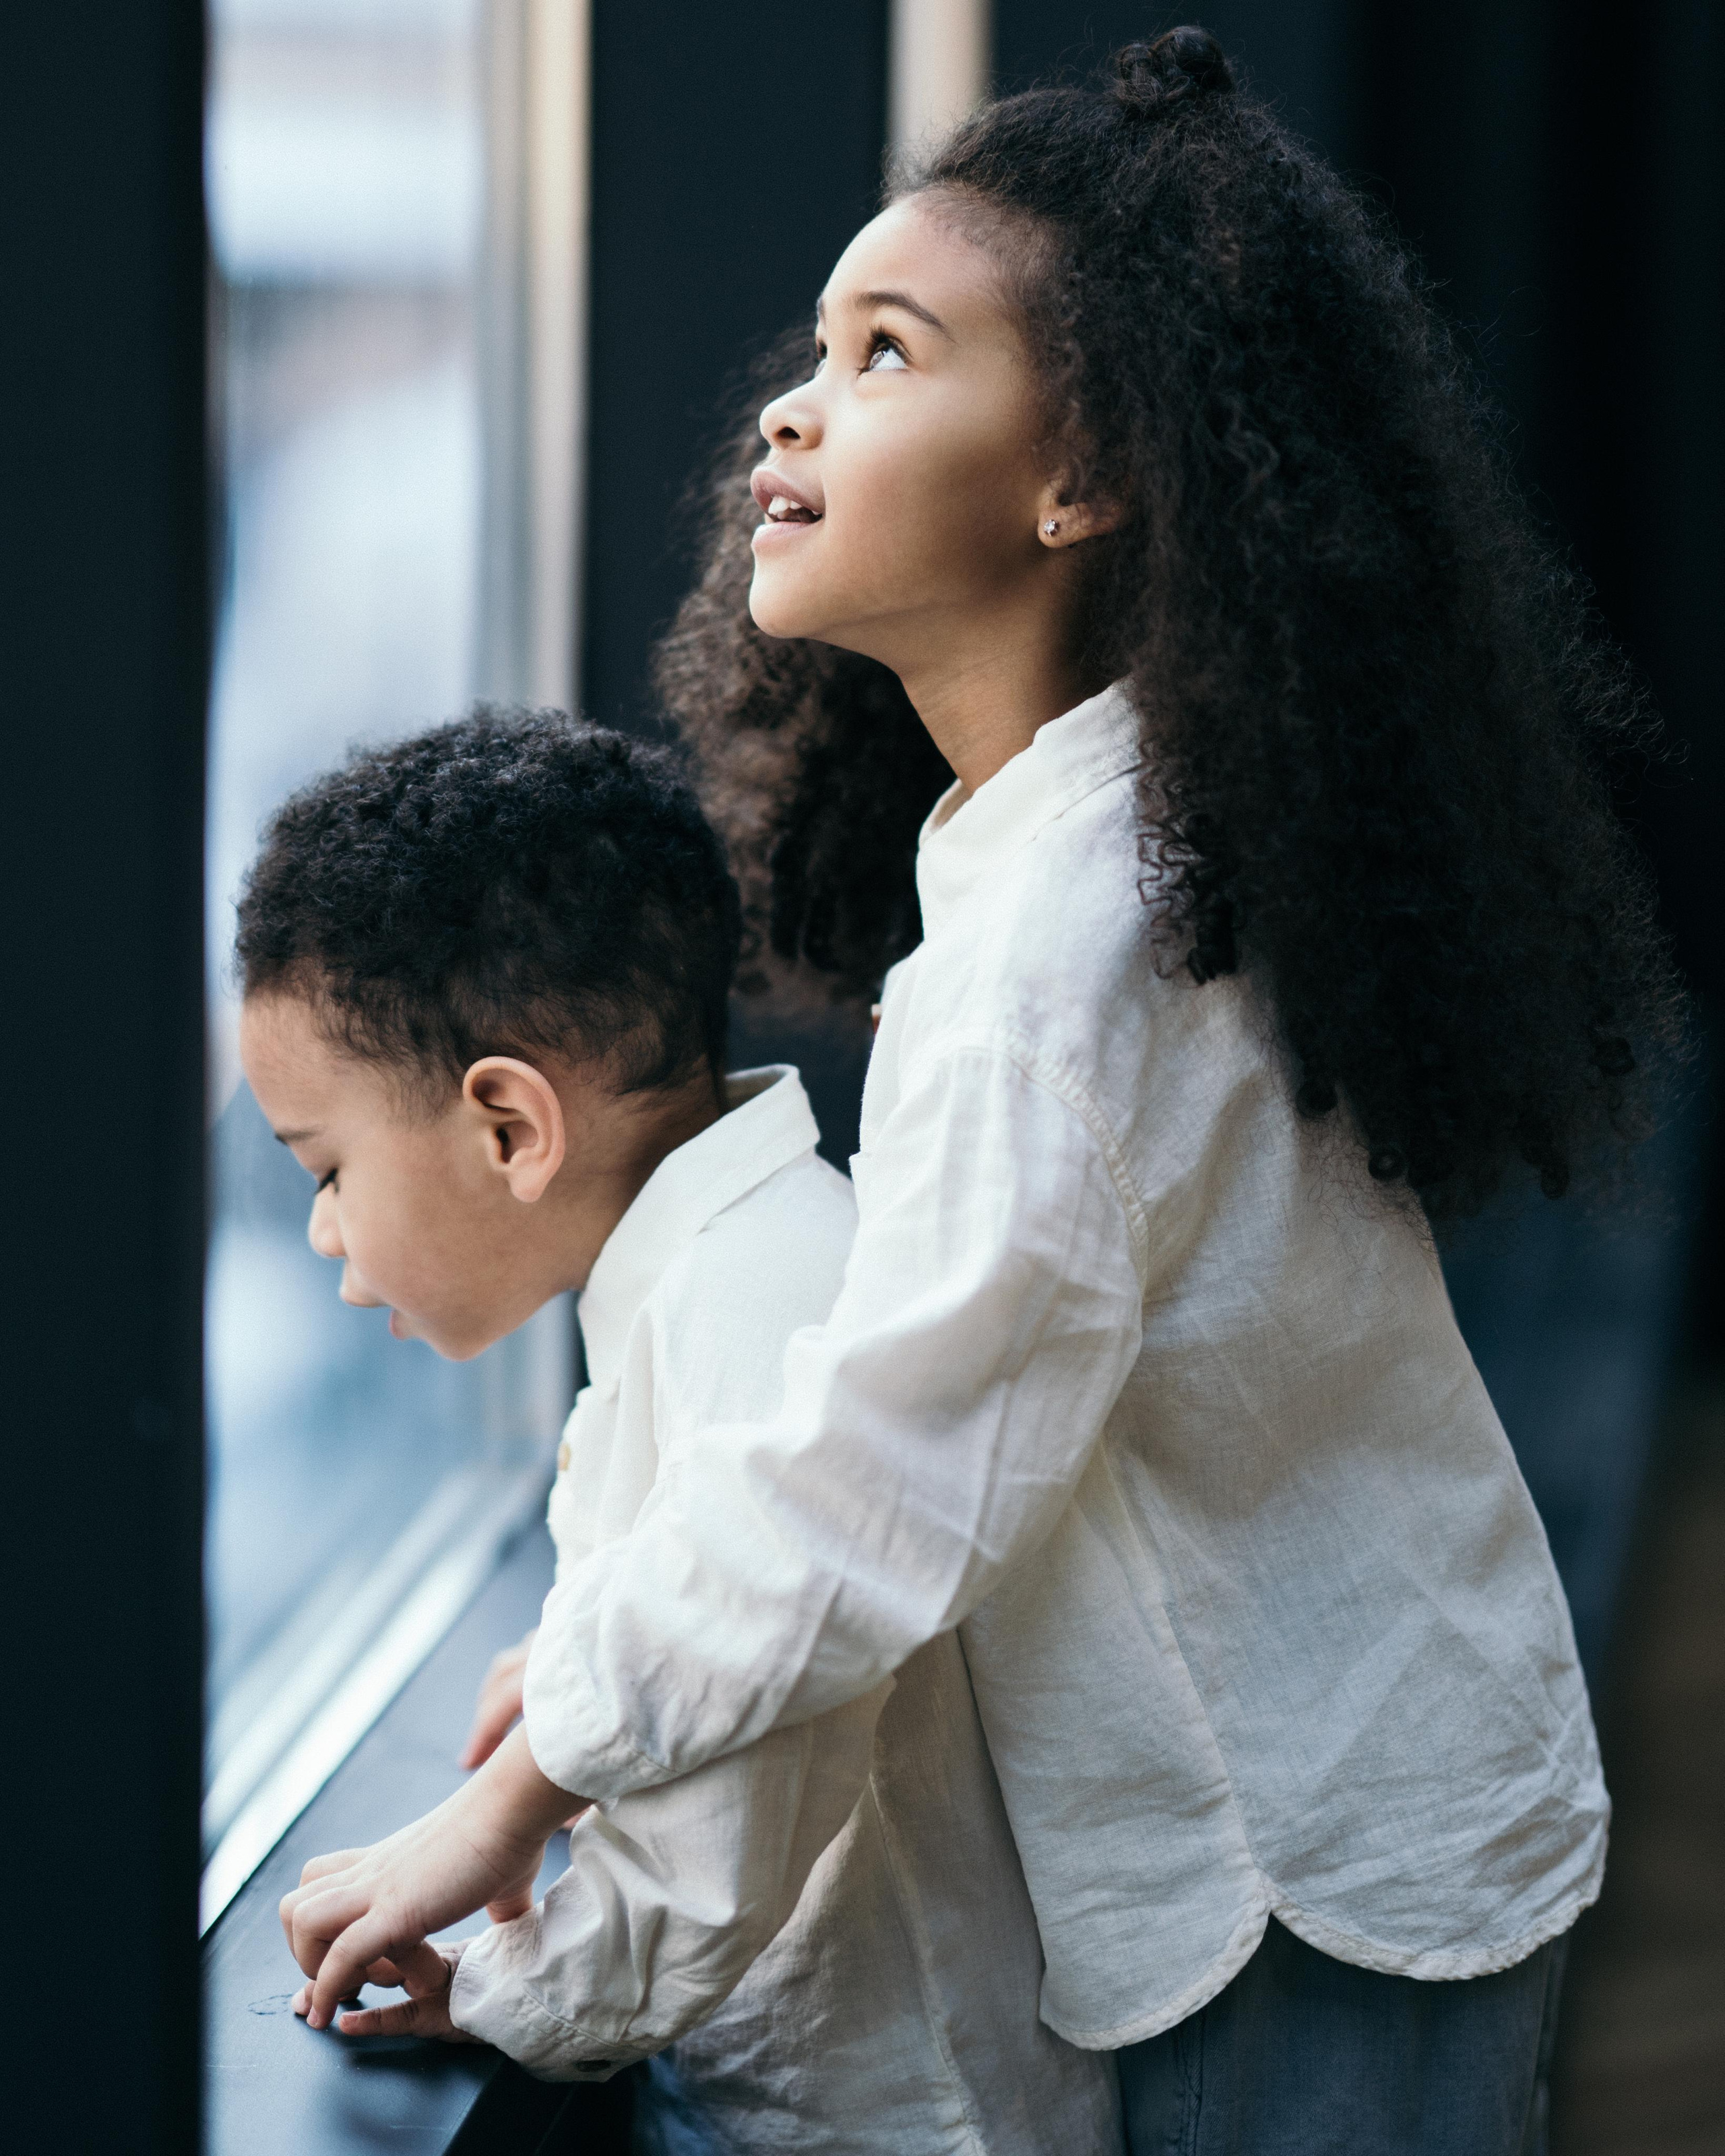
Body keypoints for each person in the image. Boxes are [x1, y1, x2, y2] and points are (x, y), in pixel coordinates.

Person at [282, 29, 1685, 2151]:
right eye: (818, 345)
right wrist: (612, 1660)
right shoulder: (1070, 855)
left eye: (888, 353)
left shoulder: (1066, 937)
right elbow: (925, 1379)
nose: (792, 398)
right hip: (1336, 1813)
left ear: (1085, 474)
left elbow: (886, 1467)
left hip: (1304, 1876)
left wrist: (526, 1783)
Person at [241, 713, 1121, 2151]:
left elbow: (715, 1863)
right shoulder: (728, 1260)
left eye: (328, 1167)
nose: (324, 1229)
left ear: (511, 1127)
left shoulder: (751, 1302)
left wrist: (499, 1987)